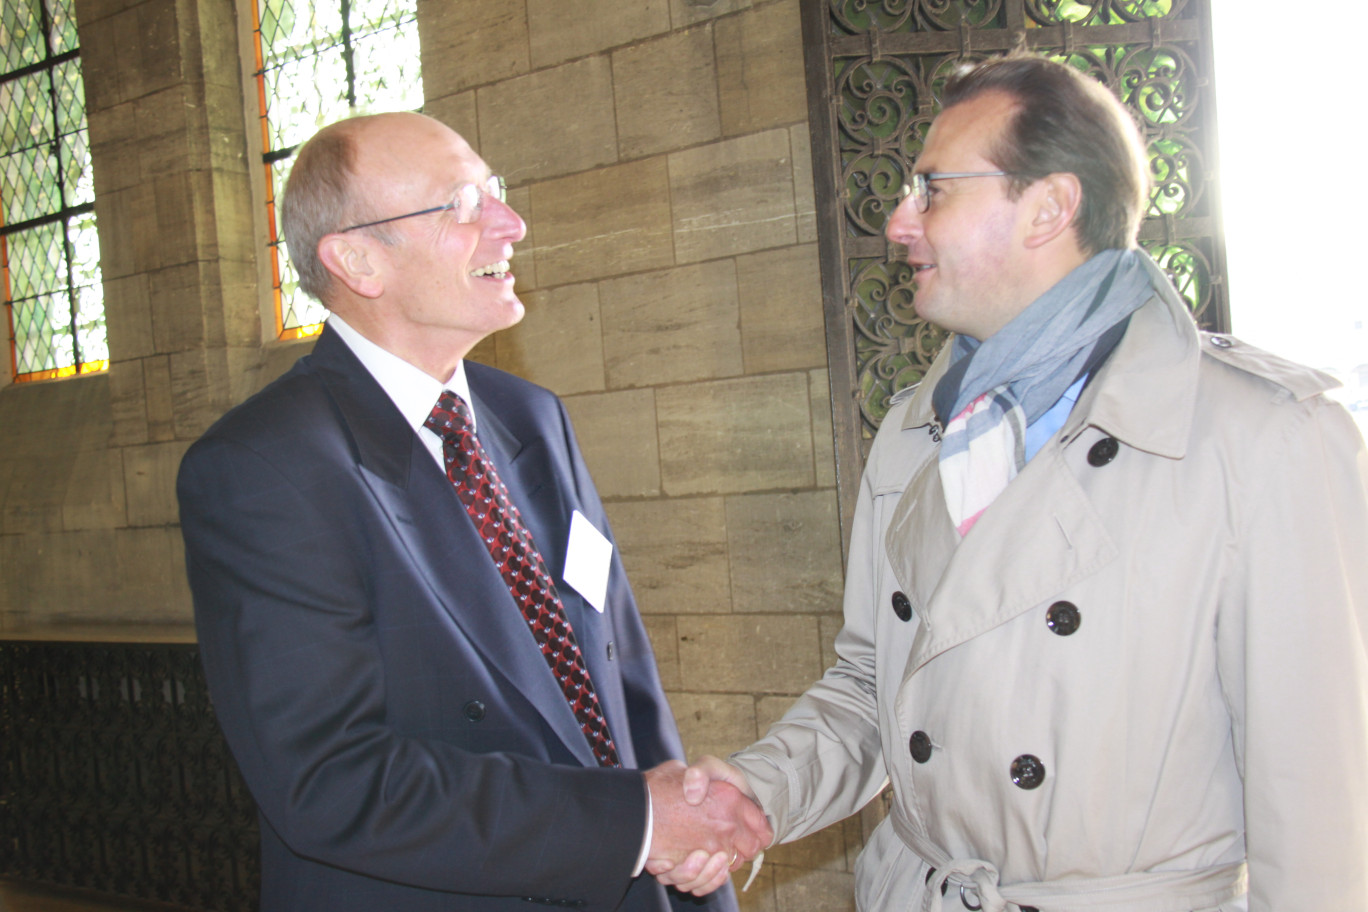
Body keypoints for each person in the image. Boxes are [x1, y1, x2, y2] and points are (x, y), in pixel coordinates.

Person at [658, 53, 1368, 911]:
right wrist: (760, 789)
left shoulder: (1266, 437)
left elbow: (1324, 808)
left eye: (932, 190)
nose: (897, 222)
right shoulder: (918, 430)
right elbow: (873, 685)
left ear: (1049, 207)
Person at [177, 112, 768, 912]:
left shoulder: (530, 416)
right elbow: (332, 780)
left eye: (497, 193)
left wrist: (685, 834)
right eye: (461, 204)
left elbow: (617, 665)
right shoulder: (265, 467)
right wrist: (632, 825)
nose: (510, 224)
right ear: (357, 260)